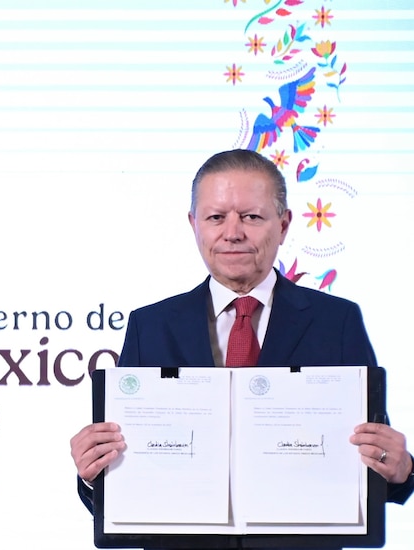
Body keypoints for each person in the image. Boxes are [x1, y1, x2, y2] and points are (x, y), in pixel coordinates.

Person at [69, 149, 414, 541]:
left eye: (251, 217)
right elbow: (129, 479)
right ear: (193, 224)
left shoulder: (337, 321)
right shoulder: (150, 326)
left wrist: (400, 469)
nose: (232, 232)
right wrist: (95, 474)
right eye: (216, 217)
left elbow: (374, 468)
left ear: (283, 226)